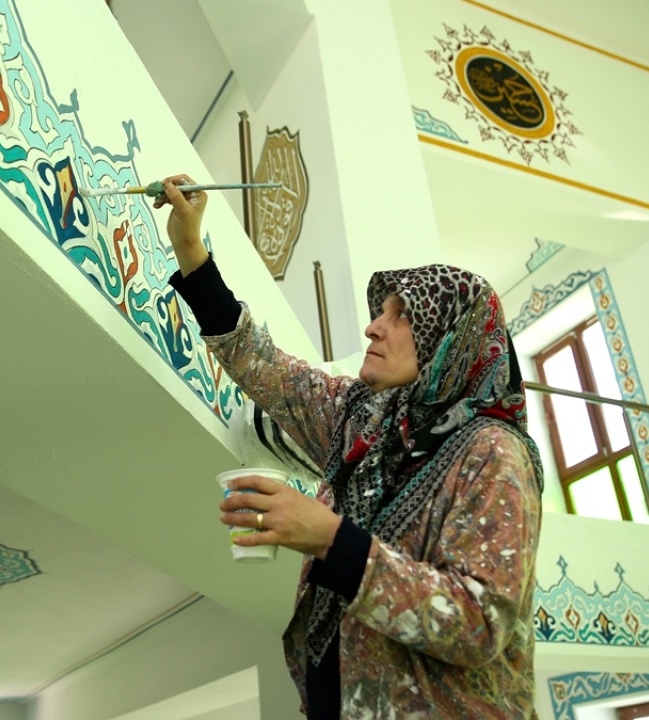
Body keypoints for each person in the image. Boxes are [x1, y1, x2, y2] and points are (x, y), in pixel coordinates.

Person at [155, 175, 544, 719]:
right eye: (380, 312)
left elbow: (479, 623)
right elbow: (265, 366)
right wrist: (190, 248)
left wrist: (330, 539)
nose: (373, 327)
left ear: (451, 341)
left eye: (400, 315)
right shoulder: (366, 418)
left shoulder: (493, 453)